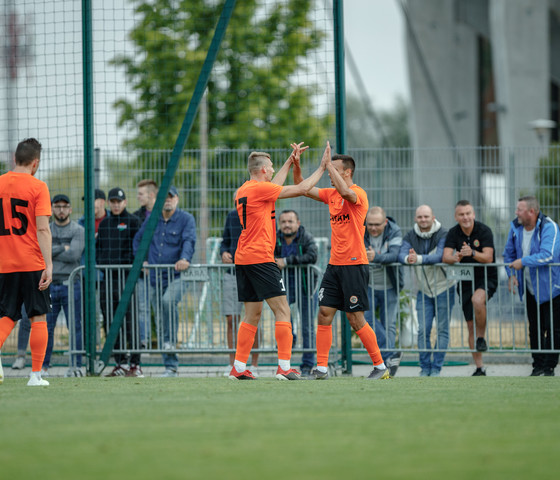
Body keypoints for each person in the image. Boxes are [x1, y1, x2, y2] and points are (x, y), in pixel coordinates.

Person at [229, 142, 327, 381]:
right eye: (271, 167)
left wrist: (289, 161)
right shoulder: (260, 190)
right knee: (283, 311)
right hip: (261, 258)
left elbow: (275, 185)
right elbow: (303, 187)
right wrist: (323, 167)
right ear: (263, 170)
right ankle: (284, 368)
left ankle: (238, 368)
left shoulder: (244, 189)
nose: (273, 171)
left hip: (244, 258)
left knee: (252, 314)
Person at [295, 143, 390, 380]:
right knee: (324, 312)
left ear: (347, 171)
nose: (329, 173)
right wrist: (297, 165)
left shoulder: (358, 193)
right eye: (328, 170)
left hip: (355, 264)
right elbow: (303, 188)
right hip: (334, 265)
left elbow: (347, 193)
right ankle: (322, 369)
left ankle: (380, 366)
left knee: (355, 318)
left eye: (333, 169)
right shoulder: (331, 194)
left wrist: (329, 166)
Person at [0, 138, 52, 387]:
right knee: (38, 317)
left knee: (7, 317)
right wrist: (48, 265)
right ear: (35, 162)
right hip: (32, 262)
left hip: (3, 263)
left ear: (14, 159)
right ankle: (35, 375)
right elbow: (43, 229)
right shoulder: (38, 186)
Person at [18, 194, 85, 377]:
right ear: (52, 209)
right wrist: (62, 248)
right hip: (48, 284)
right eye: (57, 206)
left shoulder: (78, 230)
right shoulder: (44, 229)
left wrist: (51, 251)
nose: (61, 210)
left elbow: (73, 255)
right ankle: (43, 367)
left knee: (75, 326)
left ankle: (76, 365)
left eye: (65, 206)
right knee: (45, 326)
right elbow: (39, 252)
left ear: (70, 209)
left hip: (71, 284)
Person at [133, 186, 196, 377]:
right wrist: (142, 260)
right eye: (164, 198)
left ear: (177, 199)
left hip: (176, 276)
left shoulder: (186, 219)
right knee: (159, 321)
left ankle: (170, 343)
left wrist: (185, 259)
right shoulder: (152, 219)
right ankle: (170, 366)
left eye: (171, 197)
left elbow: (189, 240)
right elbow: (138, 241)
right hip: (154, 277)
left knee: (168, 301)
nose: (167, 201)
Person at [503, 195, 560, 376]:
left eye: (519, 209)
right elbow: (508, 255)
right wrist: (512, 274)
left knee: (553, 328)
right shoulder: (515, 229)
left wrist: (523, 262)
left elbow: (548, 255)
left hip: (552, 287)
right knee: (534, 328)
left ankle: (549, 367)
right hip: (529, 287)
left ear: (532, 212)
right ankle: (537, 366)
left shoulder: (549, 227)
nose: (516, 213)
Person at [398, 205, 455, 376]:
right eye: (420, 217)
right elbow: (401, 255)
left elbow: (439, 256)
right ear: (416, 219)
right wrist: (409, 258)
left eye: (426, 216)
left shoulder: (444, 234)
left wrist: (418, 259)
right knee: (423, 330)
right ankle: (425, 367)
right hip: (423, 291)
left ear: (433, 217)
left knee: (443, 329)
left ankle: (436, 368)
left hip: (445, 288)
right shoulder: (410, 235)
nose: (423, 220)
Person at [443, 200, 497, 376]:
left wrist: (472, 253)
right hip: (465, 280)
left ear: (473, 214)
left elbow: (489, 257)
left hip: (486, 277)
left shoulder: (484, 231)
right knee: (469, 325)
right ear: (456, 216)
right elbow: (446, 257)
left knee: (478, 299)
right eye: (461, 214)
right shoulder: (453, 232)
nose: (465, 217)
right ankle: (479, 367)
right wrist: (456, 256)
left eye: (468, 213)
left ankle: (481, 338)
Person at [96, 187, 142, 377]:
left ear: (125, 202)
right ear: (109, 203)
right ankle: (120, 363)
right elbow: (99, 249)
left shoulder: (133, 222)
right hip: (108, 279)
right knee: (109, 321)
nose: (116, 205)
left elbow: (138, 249)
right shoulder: (104, 224)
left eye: (119, 201)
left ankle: (135, 364)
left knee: (131, 322)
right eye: (113, 202)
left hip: (127, 279)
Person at [274, 209, 318, 377]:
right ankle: (286, 364)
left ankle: (307, 365)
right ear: (279, 224)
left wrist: (287, 261)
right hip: (282, 287)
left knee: (307, 327)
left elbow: (312, 256)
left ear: (297, 223)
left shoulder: (306, 237)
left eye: (290, 221)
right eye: (283, 222)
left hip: (306, 287)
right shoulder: (275, 238)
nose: (287, 225)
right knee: (285, 326)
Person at [363, 206, 404, 375]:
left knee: (389, 325)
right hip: (368, 285)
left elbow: (394, 255)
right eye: (370, 224)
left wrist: (376, 257)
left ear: (385, 222)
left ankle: (388, 364)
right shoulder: (361, 229)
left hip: (390, 285)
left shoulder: (394, 231)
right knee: (366, 319)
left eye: (377, 224)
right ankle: (390, 356)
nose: (373, 228)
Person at [219, 205, 259, 376]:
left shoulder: (260, 213)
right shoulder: (232, 216)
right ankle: (233, 363)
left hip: (254, 272)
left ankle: (255, 364)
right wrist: (224, 253)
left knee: (253, 319)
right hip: (232, 272)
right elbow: (224, 241)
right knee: (231, 319)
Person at [132, 179, 158, 349]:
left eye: (141, 194)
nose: (138, 197)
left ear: (151, 194)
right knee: (142, 308)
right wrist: (141, 261)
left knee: (162, 307)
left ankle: (164, 343)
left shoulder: (163, 213)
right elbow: (136, 241)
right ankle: (144, 342)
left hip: (162, 271)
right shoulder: (136, 217)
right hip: (143, 272)